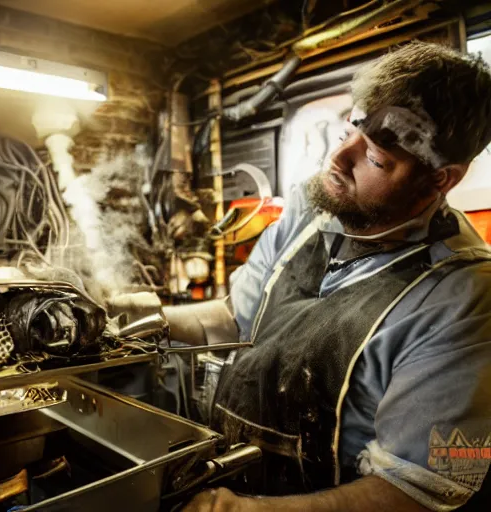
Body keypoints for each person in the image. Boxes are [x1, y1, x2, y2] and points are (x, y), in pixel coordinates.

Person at [118, 42, 491, 511]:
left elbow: (416, 491)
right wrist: (138, 316)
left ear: (441, 179)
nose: (338, 159)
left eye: (374, 159)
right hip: (237, 475)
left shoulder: (465, 297)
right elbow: (237, 319)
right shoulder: (313, 207)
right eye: (348, 132)